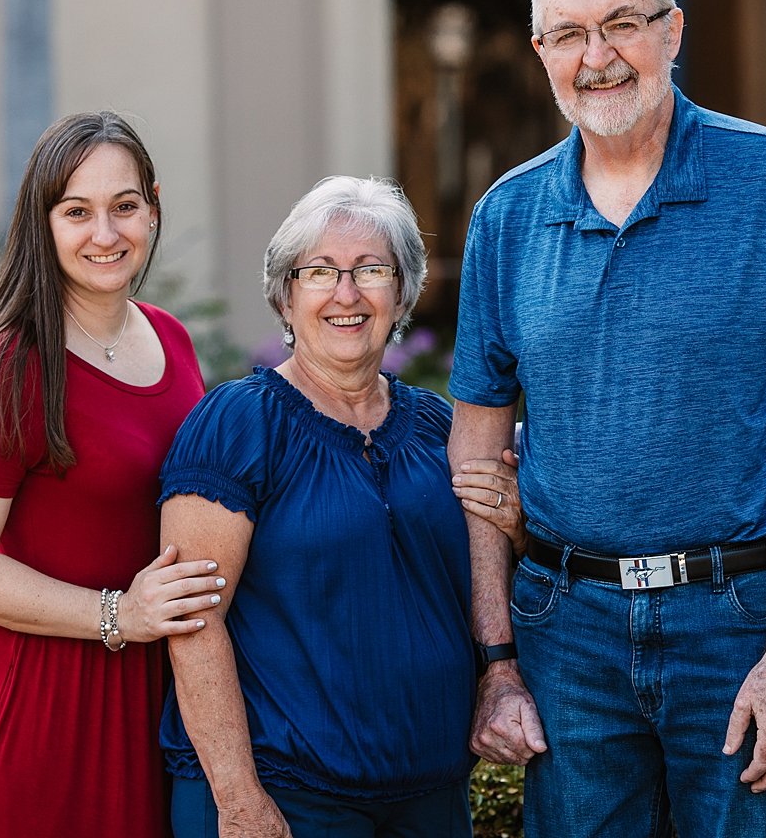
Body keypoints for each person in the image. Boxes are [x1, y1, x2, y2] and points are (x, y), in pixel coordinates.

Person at [448, 0, 766, 837]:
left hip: (737, 622)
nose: (598, 57)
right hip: (565, 628)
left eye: (622, 23)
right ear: (542, 51)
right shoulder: (506, 215)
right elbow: (473, 455)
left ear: (673, 30)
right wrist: (497, 661)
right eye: (569, 34)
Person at [157, 175, 521, 838]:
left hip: (430, 799)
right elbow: (192, 622)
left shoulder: (441, 429)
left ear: (404, 291)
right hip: (285, 799)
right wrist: (239, 802)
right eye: (320, 271)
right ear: (285, 293)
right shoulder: (237, 425)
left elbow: (488, 576)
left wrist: (520, 525)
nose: (346, 293)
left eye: (371, 270)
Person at [0, 111, 225, 837]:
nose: (106, 234)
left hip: (150, 699)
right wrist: (122, 615)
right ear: (44, 223)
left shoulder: (172, 339)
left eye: (125, 207)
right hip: (35, 705)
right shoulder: (5, 369)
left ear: (152, 205)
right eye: (77, 212)